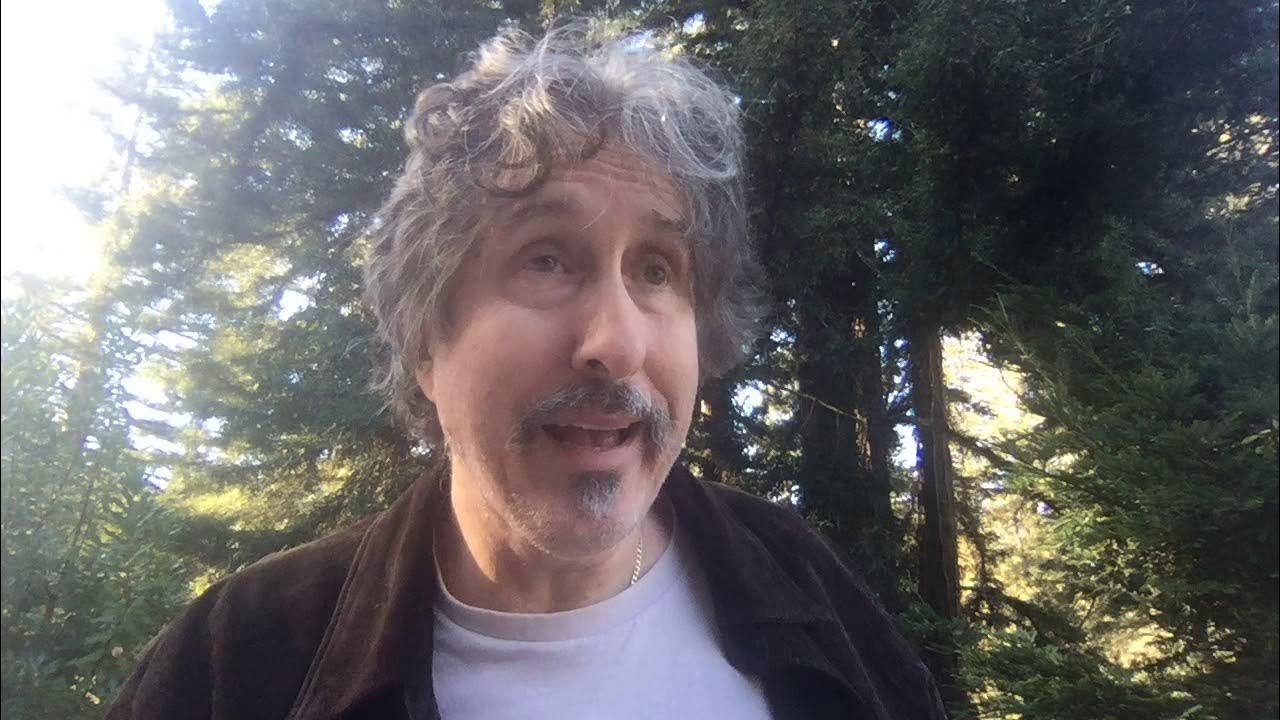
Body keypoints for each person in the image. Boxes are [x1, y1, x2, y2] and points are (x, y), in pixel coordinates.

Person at [108, 22, 946, 720]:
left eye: (657, 270)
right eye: (547, 260)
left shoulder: (806, 586)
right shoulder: (240, 657)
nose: (617, 344)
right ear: (426, 338)